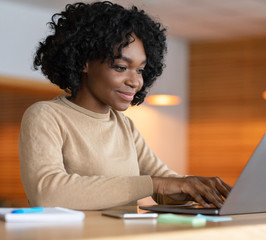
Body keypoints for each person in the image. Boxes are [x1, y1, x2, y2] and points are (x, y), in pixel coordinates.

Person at [19, 1, 231, 210]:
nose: (135, 81)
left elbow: (165, 185)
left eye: (140, 70)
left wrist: (197, 187)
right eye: (121, 67)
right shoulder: (45, 116)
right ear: (83, 61)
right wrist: (154, 183)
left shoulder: (125, 126)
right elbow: (46, 193)